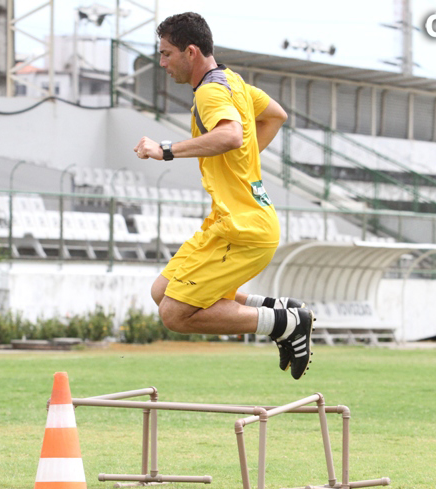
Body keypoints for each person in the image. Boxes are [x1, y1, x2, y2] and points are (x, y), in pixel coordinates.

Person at [133, 12, 314, 379]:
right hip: (234, 220)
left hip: (241, 227)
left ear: (192, 52)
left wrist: (165, 150)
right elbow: (276, 115)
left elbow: (231, 135)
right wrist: (242, 163)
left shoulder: (211, 91)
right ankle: (279, 309)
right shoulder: (232, 81)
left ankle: (286, 323)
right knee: (162, 291)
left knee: (174, 313)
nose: (162, 62)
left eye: (167, 54)